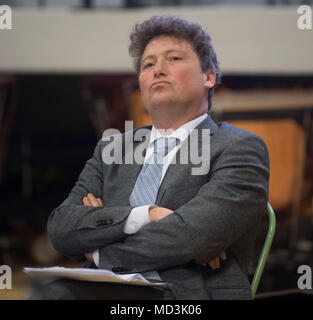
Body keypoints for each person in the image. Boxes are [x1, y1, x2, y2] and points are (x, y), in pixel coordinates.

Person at [29, 15, 269, 300]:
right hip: (108, 288)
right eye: (148, 64)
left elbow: (189, 238)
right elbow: (61, 228)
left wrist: (94, 249)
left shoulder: (239, 147)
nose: (158, 70)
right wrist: (144, 215)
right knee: (53, 296)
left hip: (187, 293)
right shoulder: (111, 149)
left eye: (174, 59)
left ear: (209, 76)